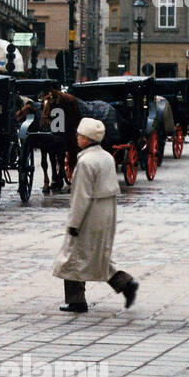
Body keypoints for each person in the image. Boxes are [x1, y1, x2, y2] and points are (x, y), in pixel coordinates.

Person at [53, 118, 139, 314]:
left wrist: (74, 224)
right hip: (106, 210)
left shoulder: (85, 162)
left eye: (79, 135)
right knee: (96, 254)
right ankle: (125, 283)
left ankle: (76, 301)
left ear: (86, 138)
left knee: (73, 256)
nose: (77, 138)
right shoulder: (107, 157)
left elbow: (80, 196)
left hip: (89, 213)